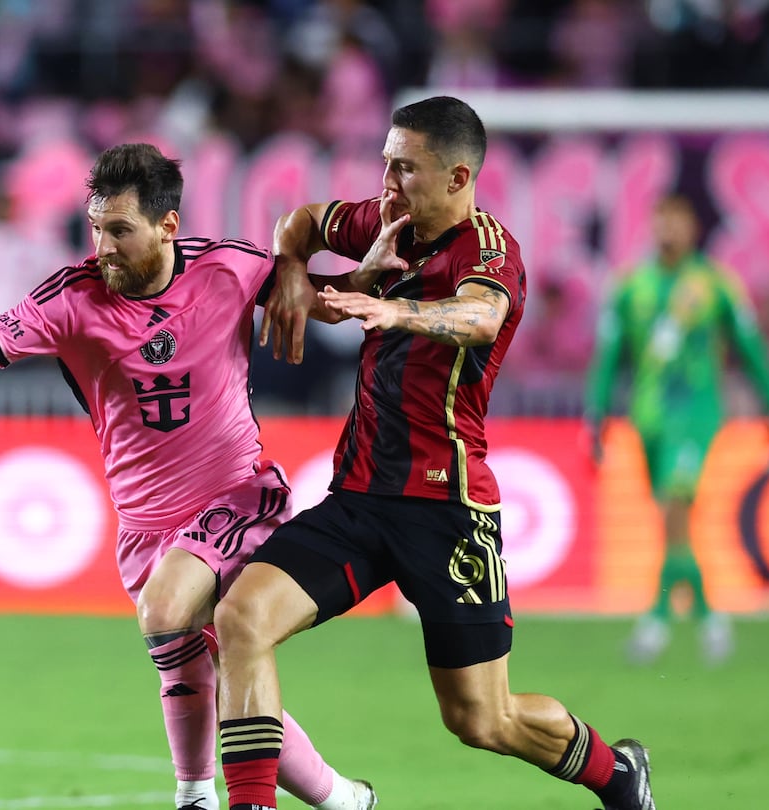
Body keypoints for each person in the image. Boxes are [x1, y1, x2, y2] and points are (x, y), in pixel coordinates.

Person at [0, 142, 376, 810]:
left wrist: (369, 291)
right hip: (146, 527)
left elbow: (333, 304)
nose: (104, 248)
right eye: (96, 229)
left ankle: (196, 795)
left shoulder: (229, 267)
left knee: (167, 611)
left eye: (119, 231)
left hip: (237, 497)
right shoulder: (71, 297)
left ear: (167, 226)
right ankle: (346, 800)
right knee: (211, 661)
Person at [219, 96, 654, 810]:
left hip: (447, 510)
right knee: (241, 617)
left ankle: (617, 771)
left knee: (482, 719)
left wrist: (397, 309)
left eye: (405, 169)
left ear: (458, 177)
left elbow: (481, 317)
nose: (388, 183)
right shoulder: (385, 221)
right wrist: (291, 268)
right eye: (386, 164)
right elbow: (299, 221)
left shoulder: (490, 251)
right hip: (358, 500)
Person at [585, 192, 769, 666]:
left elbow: (752, 349)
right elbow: (607, 359)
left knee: (677, 508)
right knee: (670, 522)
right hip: (648, 417)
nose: (668, 230)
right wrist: (594, 415)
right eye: (661, 220)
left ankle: (659, 619)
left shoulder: (716, 284)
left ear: (693, 228)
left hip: (697, 413)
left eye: (677, 221)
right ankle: (705, 613)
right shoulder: (630, 287)